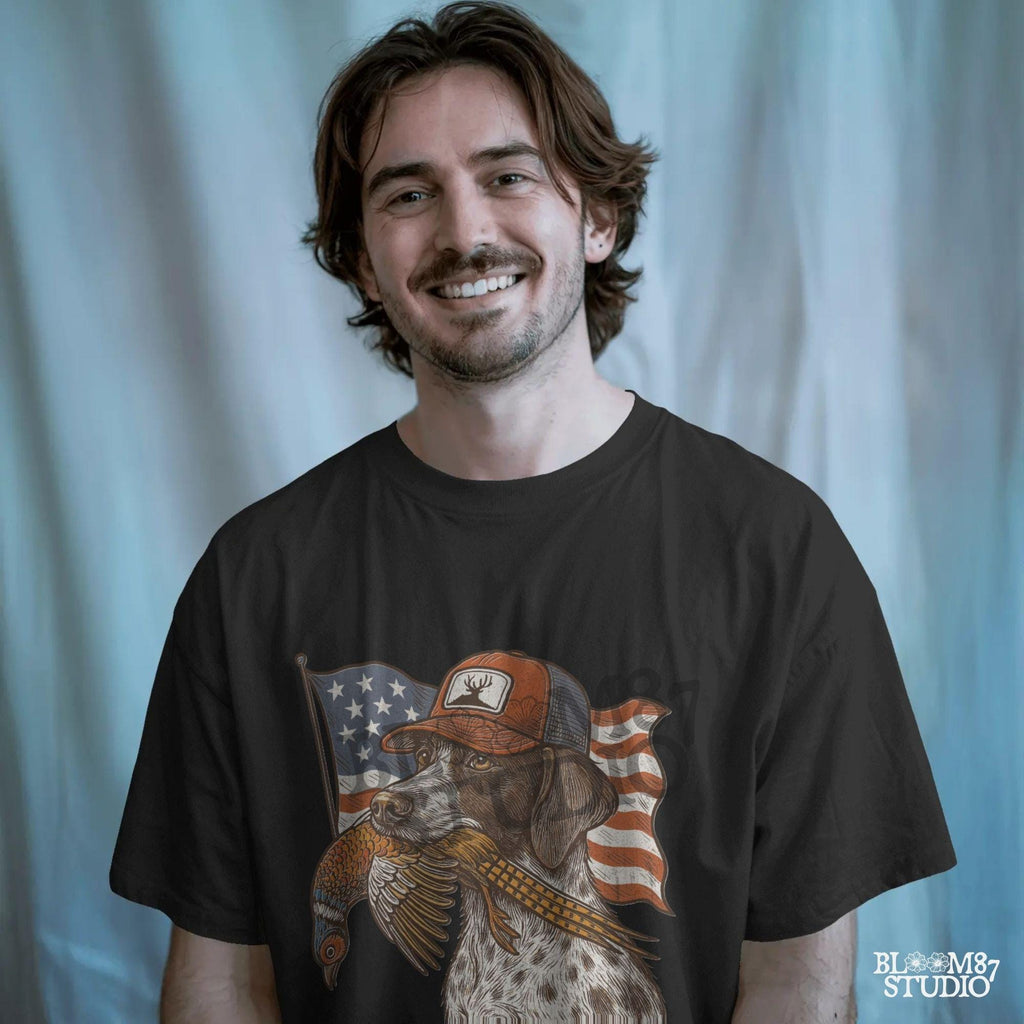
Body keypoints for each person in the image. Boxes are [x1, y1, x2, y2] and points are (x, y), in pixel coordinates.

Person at [109, 2, 957, 1022]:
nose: (465, 232)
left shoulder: (774, 552)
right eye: (408, 193)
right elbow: (221, 982)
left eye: (507, 176)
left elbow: (795, 985)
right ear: (363, 260)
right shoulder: (254, 575)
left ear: (595, 218)